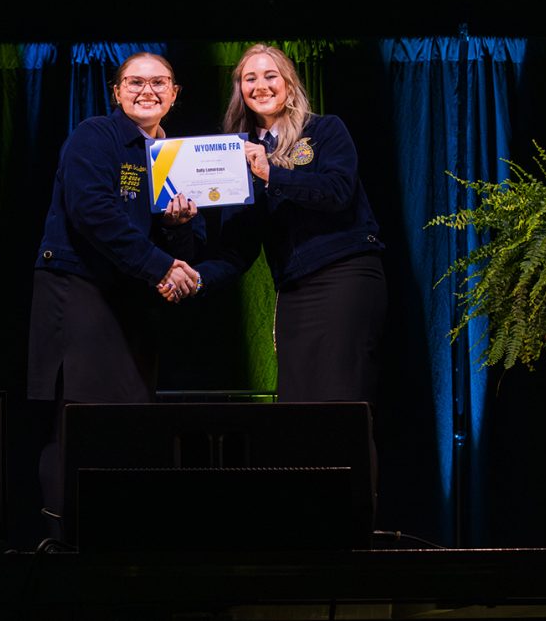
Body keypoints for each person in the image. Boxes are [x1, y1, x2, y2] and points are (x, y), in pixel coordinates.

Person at [26, 51, 203, 540]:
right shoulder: (95, 136)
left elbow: (183, 239)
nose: (147, 91)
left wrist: (177, 234)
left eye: (159, 82)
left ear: (174, 93)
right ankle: (65, 541)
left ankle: (118, 536)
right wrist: (162, 267)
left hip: (130, 301)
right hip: (78, 288)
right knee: (80, 418)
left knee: (129, 416)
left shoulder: (174, 156)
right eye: (134, 82)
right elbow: (92, 212)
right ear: (116, 91)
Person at [187, 43, 387, 404]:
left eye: (270, 75)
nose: (260, 85)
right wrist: (195, 277)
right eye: (250, 78)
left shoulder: (325, 131)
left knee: (342, 398)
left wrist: (271, 173)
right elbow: (237, 249)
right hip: (294, 290)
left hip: (344, 275)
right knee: (298, 402)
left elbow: (337, 191)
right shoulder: (237, 155)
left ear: (289, 85)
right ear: (240, 91)